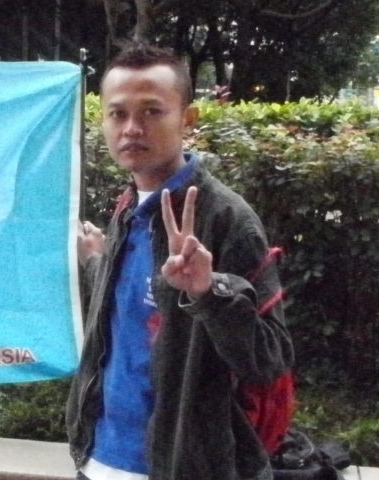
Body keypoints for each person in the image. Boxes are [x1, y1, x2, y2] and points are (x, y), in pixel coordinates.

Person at [66, 45, 294, 480]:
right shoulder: (128, 207)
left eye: (152, 111)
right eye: (117, 114)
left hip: (183, 466)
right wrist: (97, 262)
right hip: (97, 459)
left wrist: (209, 293)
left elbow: (270, 359)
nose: (132, 128)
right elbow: (138, 302)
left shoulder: (227, 219)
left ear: (186, 119)